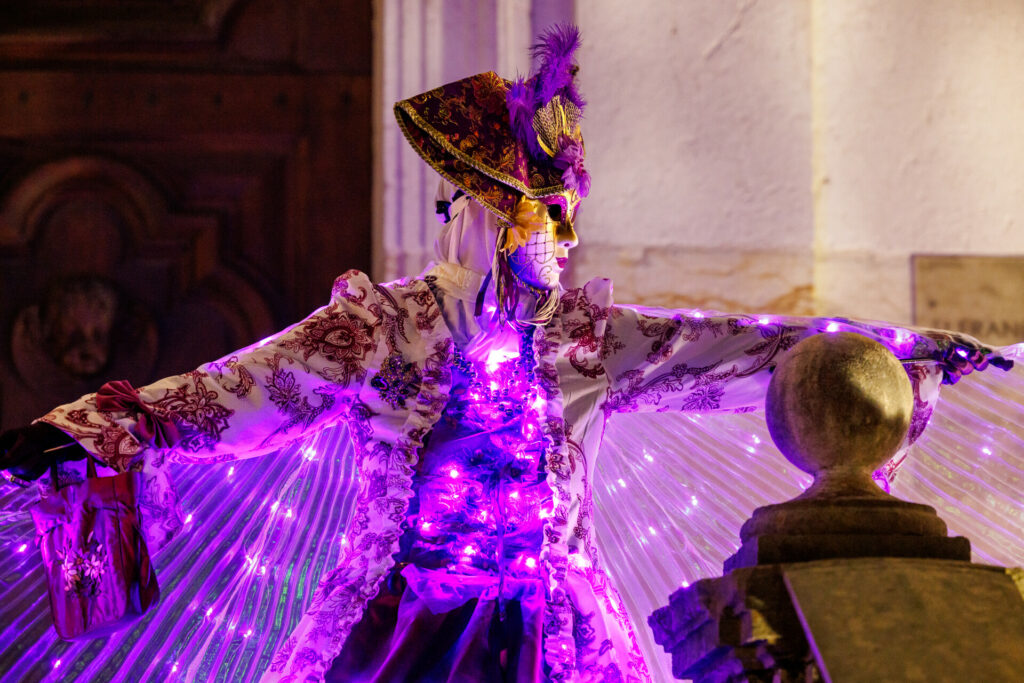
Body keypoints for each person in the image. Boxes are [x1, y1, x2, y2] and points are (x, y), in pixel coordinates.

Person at [0, 25, 1011, 683]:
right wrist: (104, 423)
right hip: (398, 627)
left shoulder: (585, 333)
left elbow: (734, 349)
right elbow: (239, 389)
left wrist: (897, 345)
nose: (535, 237)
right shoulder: (383, 327)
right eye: (510, 210)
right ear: (462, 210)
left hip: (557, 626)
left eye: (548, 219)